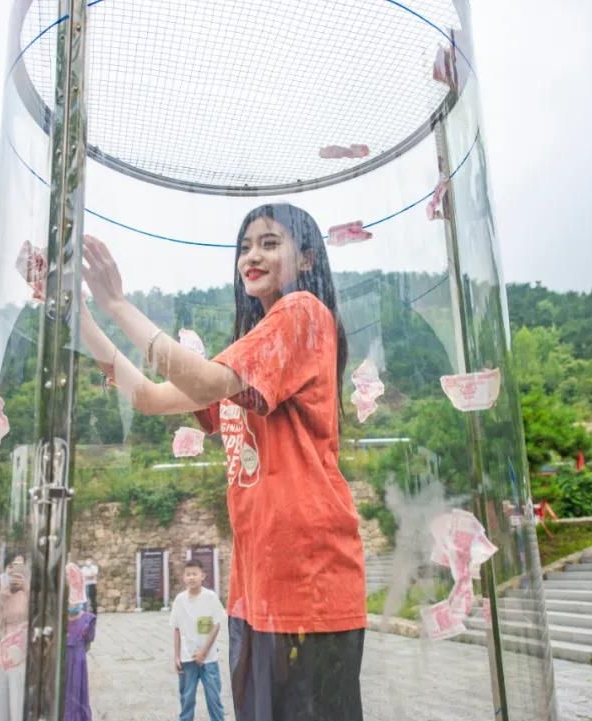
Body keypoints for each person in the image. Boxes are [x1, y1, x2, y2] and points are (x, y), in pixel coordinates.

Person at [78, 203, 367, 721]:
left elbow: (204, 381)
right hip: (256, 593)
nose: (251, 256)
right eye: (244, 246)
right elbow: (146, 395)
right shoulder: (250, 356)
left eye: (269, 243)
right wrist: (78, 315)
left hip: (310, 585)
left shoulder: (302, 313)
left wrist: (117, 303)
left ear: (306, 260)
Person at [170, 559, 225, 721]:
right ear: (183, 577)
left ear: (203, 576)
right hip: (187, 658)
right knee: (187, 699)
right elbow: (176, 628)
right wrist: (176, 656)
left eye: (195, 574)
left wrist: (203, 652)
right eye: (188, 574)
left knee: (214, 698)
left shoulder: (210, 597)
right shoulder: (180, 600)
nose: (191, 578)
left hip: (209, 659)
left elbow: (216, 625)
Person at [0, 555, 28, 721]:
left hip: (26, 652)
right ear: (6, 570)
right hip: (5, 652)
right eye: (12, 566)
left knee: (21, 698)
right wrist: (2, 604)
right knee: (3, 697)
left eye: (20, 566)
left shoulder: (32, 595)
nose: (15, 570)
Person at [64, 562, 97, 721]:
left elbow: (88, 642)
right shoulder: (58, 620)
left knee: (75, 693)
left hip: (77, 665)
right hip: (67, 664)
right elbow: (88, 644)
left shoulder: (87, 620)